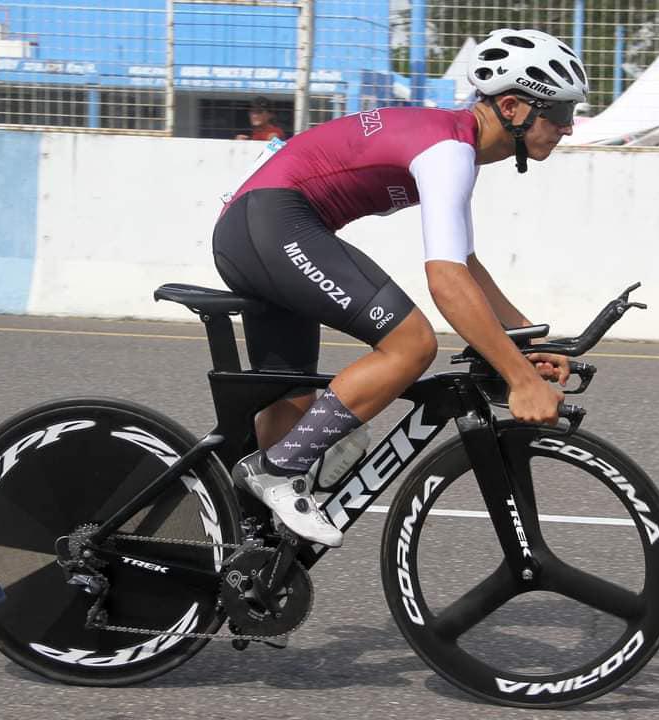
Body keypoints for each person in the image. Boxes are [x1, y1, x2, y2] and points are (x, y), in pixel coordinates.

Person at [213, 28, 588, 547]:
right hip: (273, 223)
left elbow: (466, 263)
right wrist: (520, 378)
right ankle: (276, 472)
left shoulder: (453, 141)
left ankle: (240, 558)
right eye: (561, 112)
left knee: (292, 409)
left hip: (264, 227)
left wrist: (528, 337)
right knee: (412, 343)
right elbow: (446, 281)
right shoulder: (449, 151)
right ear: (513, 107)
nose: (567, 128)